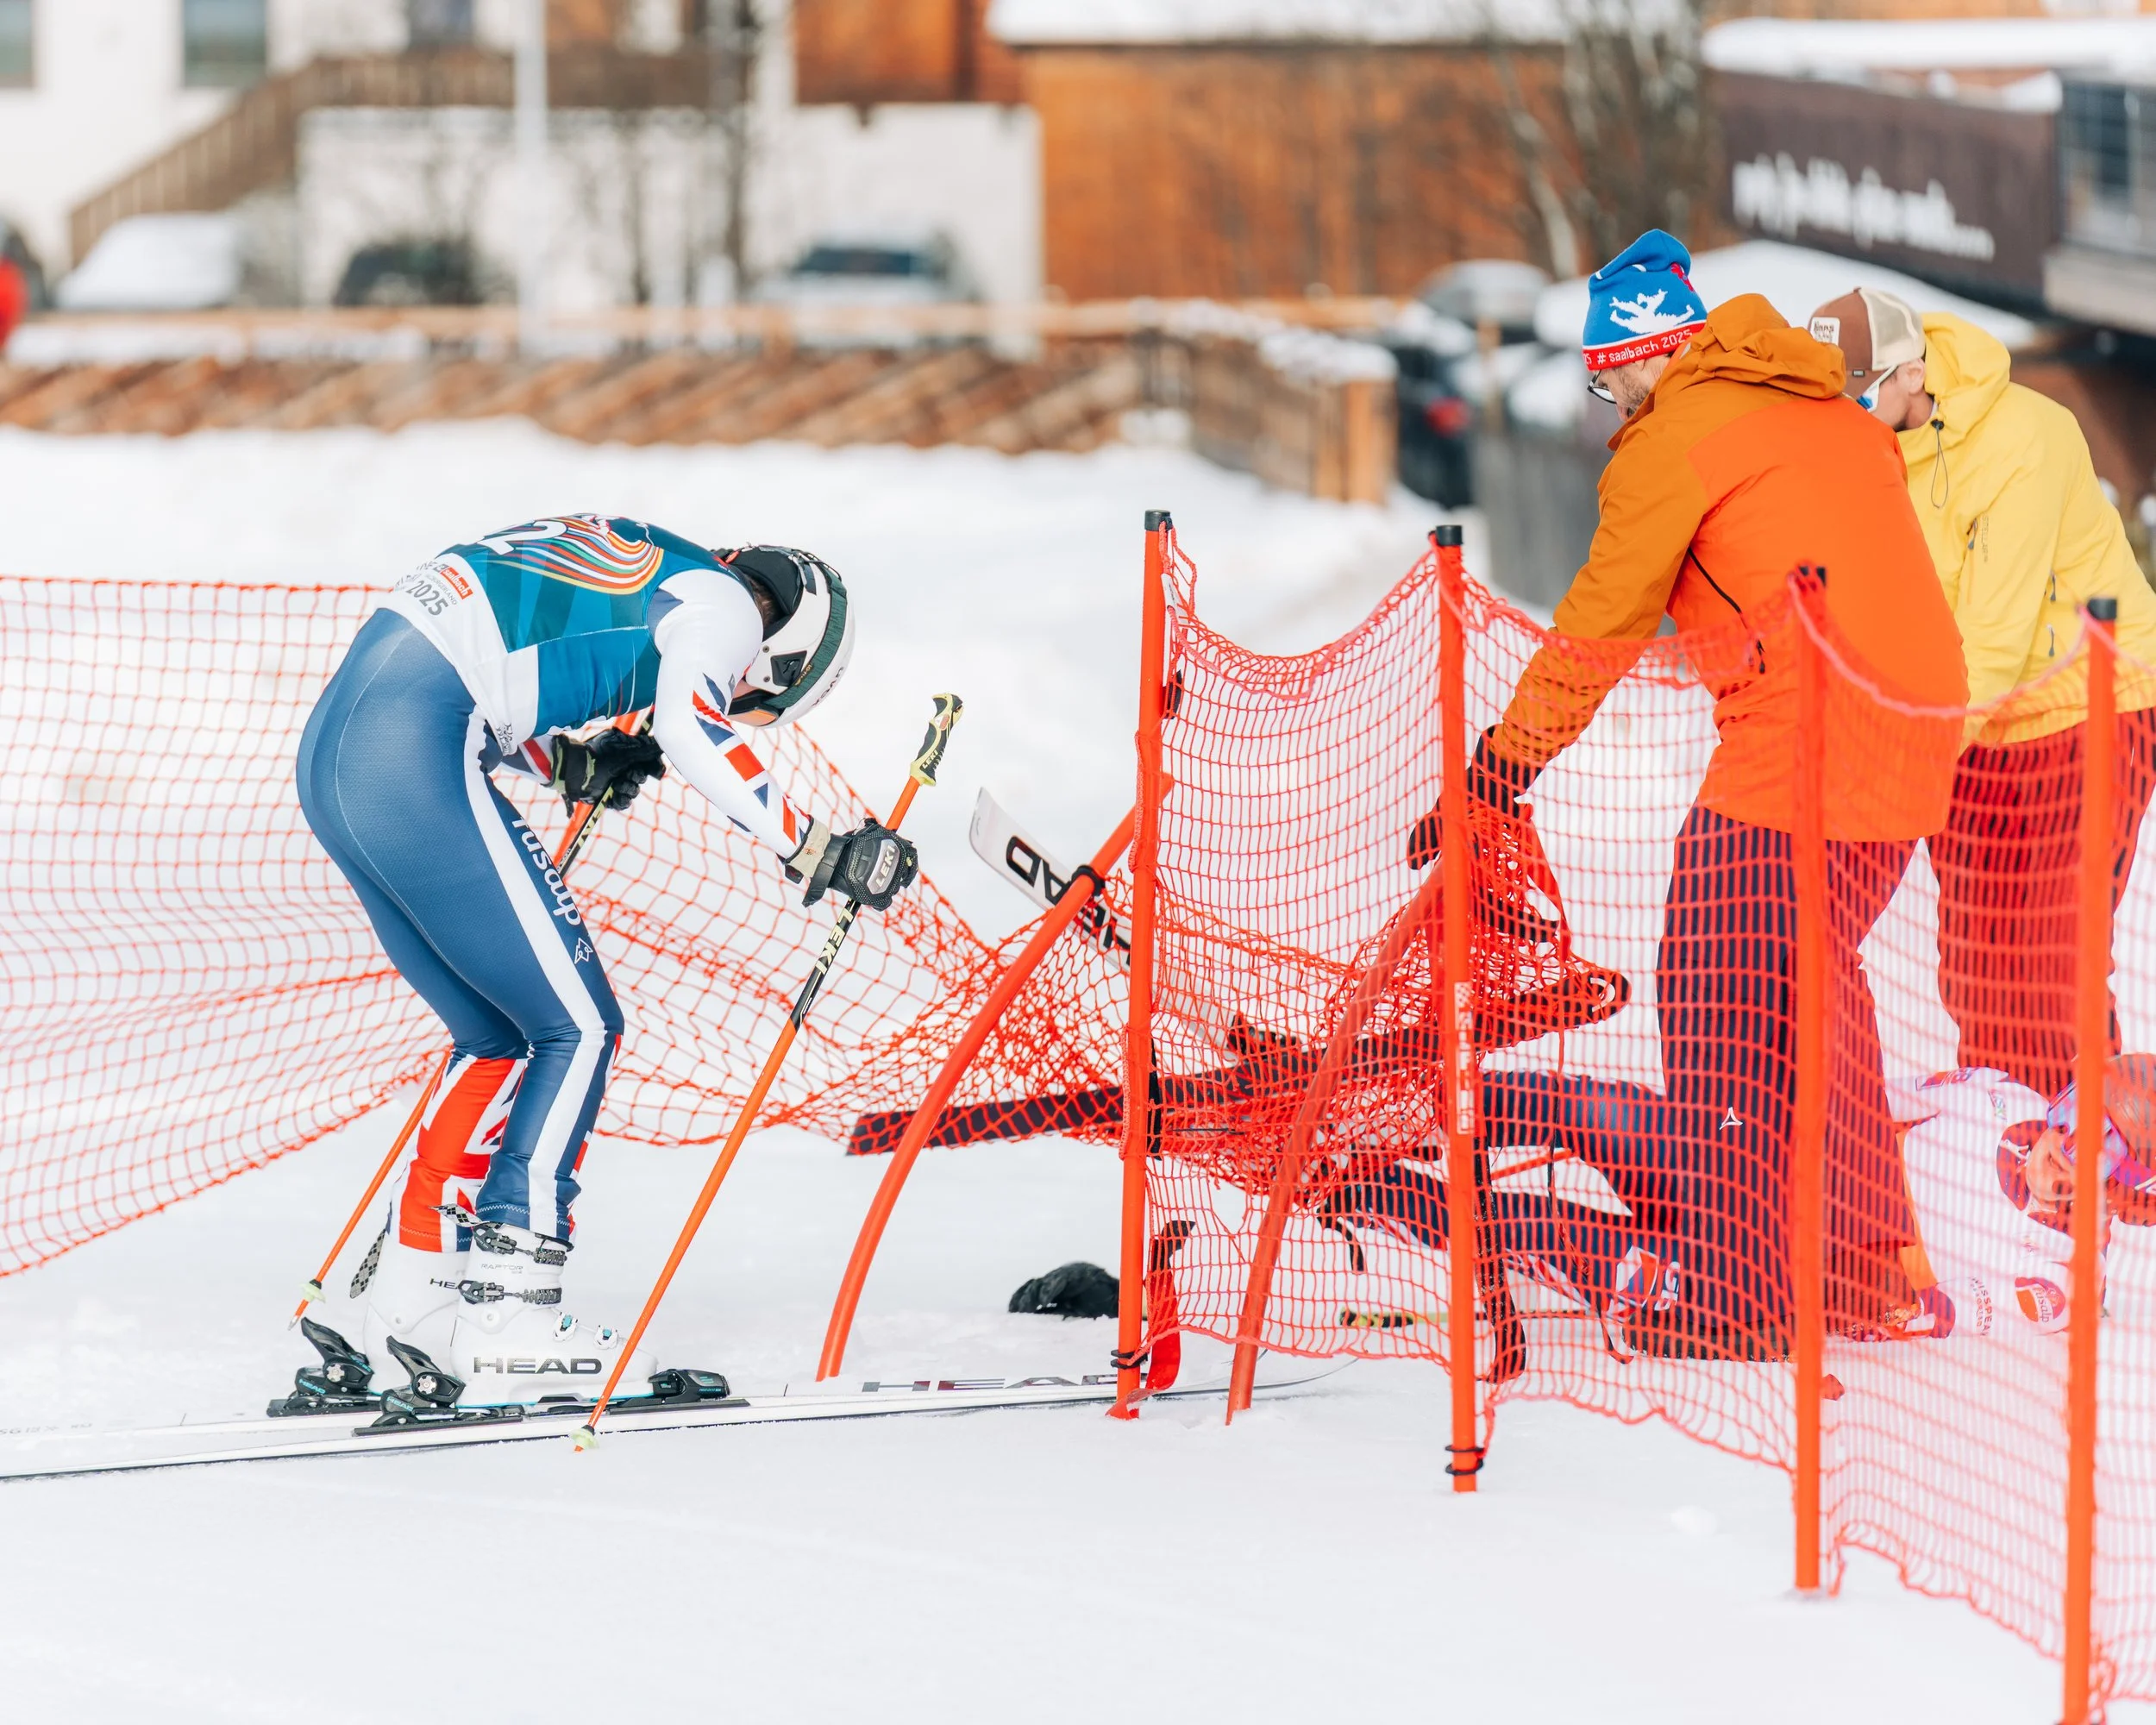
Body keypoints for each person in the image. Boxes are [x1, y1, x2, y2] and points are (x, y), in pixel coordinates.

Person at [1413, 231, 1967, 1354]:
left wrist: (1501, 771)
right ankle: (1866, 1266)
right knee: (1814, 979)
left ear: (1650, 353)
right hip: (1916, 724)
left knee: (1713, 975)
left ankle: (1740, 1282)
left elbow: (1599, 626)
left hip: (1810, 734)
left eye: (1607, 372)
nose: (1603, 397)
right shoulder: (1816, 406)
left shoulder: (1673, 443)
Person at [295, 516, 918, 1404]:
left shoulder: (660, 562)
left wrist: (570, 760)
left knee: (497, 1035)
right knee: (580, 1027)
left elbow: (488, 661)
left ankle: (416, 1296)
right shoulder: (727, 605)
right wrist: (815, 847)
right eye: (764, 699)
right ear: (787, 651)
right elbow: (694, 727)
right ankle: (511, 1310)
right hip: (415, 758)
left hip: (340, 758)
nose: (747, 700)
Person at [1808, 287, 2156, 1101]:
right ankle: (2002, 1124)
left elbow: (1995, 641)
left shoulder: (2024, 438)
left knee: (2051, 955)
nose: (1847, 415)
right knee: (1974, 957)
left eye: (1859, 396)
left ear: (1910, 372)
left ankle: (2093, 1144)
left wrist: (1901, 758)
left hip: (2087, 700)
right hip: (1966, 727)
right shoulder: (1863, 447)